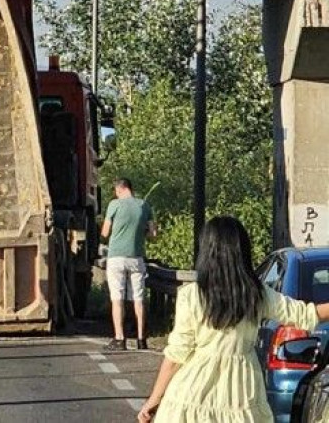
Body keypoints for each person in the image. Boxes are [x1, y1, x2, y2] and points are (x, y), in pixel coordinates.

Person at [138, 216, 329, 422]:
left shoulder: (191, 295)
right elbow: (306, 314)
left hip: (192, 393)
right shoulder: (256, 294)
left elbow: (176, 355)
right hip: (242, 392)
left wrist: (154, 399)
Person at [103, 177, 157, 351]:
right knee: (138, 299)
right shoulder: (144, 206)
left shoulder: (114, 205)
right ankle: (142, 339)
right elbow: (153, 234)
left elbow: (105, 232)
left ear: (119, 190)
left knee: (117, 298)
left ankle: (120, 338)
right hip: (137, 258)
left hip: (116, 258)